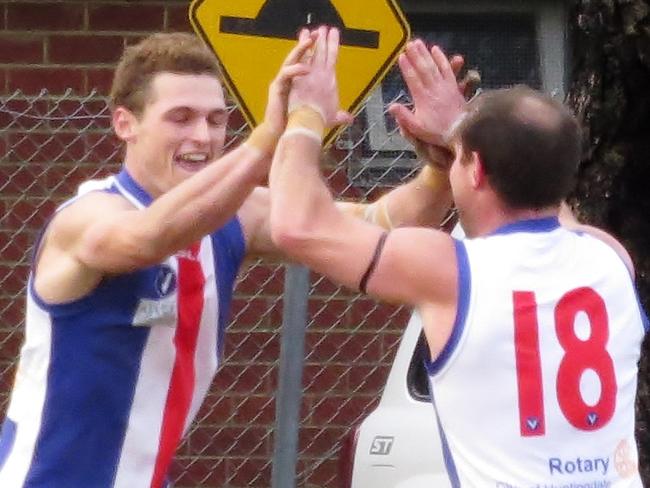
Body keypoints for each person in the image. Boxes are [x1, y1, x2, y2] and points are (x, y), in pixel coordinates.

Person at [0, 31, 465, 487]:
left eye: (216, 120)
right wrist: (273, 135)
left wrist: (442, 168)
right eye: (180, 118)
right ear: (126, 124)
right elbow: (147, 238)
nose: (202, 136)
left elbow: (377, 226)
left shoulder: (235, 212)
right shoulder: (89, 215)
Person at [269, 26, 647, 487]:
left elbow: (295, 225)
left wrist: (305, 113)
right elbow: (545, 188)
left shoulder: (448, 268)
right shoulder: (609, 258)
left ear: (478, 169)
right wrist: (462, 134)